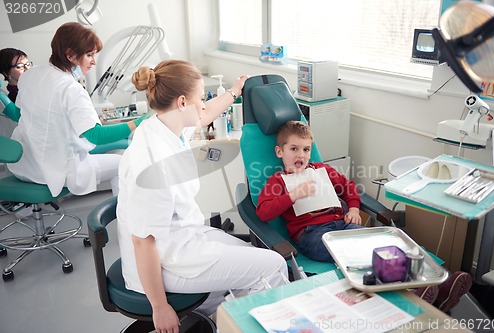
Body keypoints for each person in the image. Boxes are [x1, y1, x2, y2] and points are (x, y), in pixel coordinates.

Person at [117, 60, 288, 333]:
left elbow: (206, 113)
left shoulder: (163, 125)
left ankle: (232, 322)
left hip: (182, 237)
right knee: (274, 266)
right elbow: (142, 242)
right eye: (200, 98)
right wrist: (159, 307)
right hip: (164, 262)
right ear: (183, 102)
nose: (203, 103)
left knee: (251, 256)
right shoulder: (151, 162)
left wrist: (234, 91)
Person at [7, 22, 147, 197]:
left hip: (25, 165)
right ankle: (124, 220)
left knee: (111, 151)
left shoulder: (31, 74)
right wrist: (141, 121)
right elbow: (96, 135)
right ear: (71, 55)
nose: (94, 61)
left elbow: (21, 113)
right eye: (89, 55)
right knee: (126, 162)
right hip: (54, 171)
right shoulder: (71, 89)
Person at [256, 120, 363, 263]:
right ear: (279, 151)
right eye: (294, 149)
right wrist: (293, 195)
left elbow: (348, 186)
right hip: (311, 233)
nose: (301, 155)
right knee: (341, 249)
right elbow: (263, 212)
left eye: (306, 149)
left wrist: (354, 209)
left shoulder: (321, 170)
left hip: (342, 224)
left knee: (364, 239)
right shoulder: (278, 180)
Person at [0, 48, 30, 122]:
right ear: (6, 73)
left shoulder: (30, 88)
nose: (27, 69)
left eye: (28, 64)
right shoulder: (16, 96)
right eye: (19, 66)